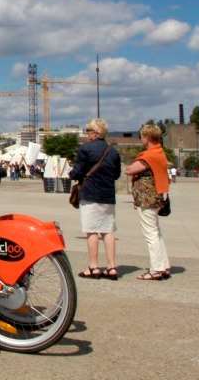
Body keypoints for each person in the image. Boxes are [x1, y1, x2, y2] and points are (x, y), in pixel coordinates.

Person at [69, 118, 121, 280]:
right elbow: (117, 174)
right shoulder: (112, 151)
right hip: (108, 195)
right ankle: (112, 267)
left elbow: (77, 172)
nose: (87, 134)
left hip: (90, 193)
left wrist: (72, 174)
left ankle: (93, 266)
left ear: (95, 133)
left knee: (91, 231)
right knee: (108, 231)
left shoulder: (85, 149)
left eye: (88, 131)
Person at [126, 123, 171, 281]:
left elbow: (130, 170)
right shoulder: (160, 152)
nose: (141, 139)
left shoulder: (150, 155)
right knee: (156, 233)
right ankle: (163, 265)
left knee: (150, 234)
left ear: (147, 137)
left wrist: (129, 167)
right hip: (156, 196)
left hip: (147, 198)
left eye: (142, 136)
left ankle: (156, 269)